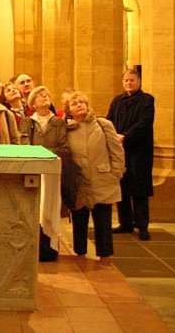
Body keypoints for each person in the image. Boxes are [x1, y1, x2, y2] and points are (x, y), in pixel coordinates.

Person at [64, 91, 125, 260]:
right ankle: (80, 253)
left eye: (82, 102)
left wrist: (116, 173)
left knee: (103, 219)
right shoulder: (67, 129)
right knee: (79, 218)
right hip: (79, 179)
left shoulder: (103, 124)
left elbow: (116, 151)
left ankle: (105, 255)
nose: (79, 105)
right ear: (69, 110)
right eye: (75, 103)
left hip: (102, 177)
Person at [20, 86, 68, 261]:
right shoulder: (28, 122)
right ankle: (35, 247)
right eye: (40, 95)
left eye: (47, 94)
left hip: (52, 172)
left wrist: (43, 152)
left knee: (50, 207)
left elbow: (64, 148)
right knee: (35, 209)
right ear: (33, 103)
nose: (45, 97)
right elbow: (24, 145)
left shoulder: (58, 123)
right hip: (35, 171)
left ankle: (50, 246)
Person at [107, 69, 155, 241]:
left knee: (140, 190)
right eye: (126, 80)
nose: (129, 83)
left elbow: (144, 123)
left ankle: (142, 226)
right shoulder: (117, 100)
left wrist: (125, 136)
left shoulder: (147, 100)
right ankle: (125, 223)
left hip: (139, 151)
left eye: (132, 80)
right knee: (122, 187)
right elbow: (109, 120)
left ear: (139, 81)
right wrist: (113, 136)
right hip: (120, 150)